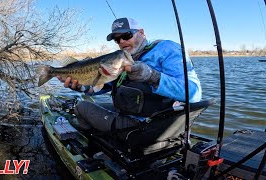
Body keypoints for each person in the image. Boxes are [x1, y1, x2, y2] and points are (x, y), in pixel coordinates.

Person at [58, 17, 202, 132]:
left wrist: (152, 76)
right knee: (93, 102)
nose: (122, 42)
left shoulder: (167, 49)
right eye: (117, 39)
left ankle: (90, 141)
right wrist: (81, 87)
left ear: (141, 32)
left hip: (148, 126)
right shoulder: (121, 60)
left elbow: (194, 93)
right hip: (130, 114)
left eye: (127, 35)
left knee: (81, 107)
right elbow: (99, 87)